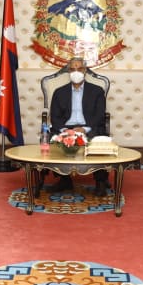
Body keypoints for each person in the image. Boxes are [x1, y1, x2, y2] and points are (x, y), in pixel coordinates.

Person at [47, 56, 110, 196]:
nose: (76, 72)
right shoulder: (59, 92)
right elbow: (55, 117)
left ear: (85, 71)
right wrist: (65, 130)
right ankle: (64, 179)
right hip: (65, 128)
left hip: (89, 127)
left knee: (97, 139)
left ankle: (100, 181)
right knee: (54, 138)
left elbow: (100, 115)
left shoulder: (97, 91)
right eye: (72, 69)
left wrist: (84, 129)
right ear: (69, 72)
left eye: (79, 69)